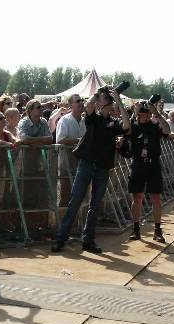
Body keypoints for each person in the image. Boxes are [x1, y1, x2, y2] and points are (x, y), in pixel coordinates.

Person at [51, 87, 130, 254]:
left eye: (102, 99)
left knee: (95, 205)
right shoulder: (93, 118)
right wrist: (97, 94)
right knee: (75, 202)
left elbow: (126, 125)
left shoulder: (113, 123)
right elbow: (88, 106)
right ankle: (61, 239)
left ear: (108, 104)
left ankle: (88, 240)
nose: (99, 101)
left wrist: (118, 100)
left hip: (102, 168)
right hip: (86, 165)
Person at [126, 101, 171, 242]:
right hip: (138, 164)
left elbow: (167, 130)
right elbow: (125, 129)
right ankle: (136, 228)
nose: (144, 114)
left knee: (156, 198)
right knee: (137, 197)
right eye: (142, 112)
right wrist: (134, 112)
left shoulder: (154, 126)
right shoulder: (134, 126)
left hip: (153, 164)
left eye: (147, 112)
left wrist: (157, 112)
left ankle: (157, 230)